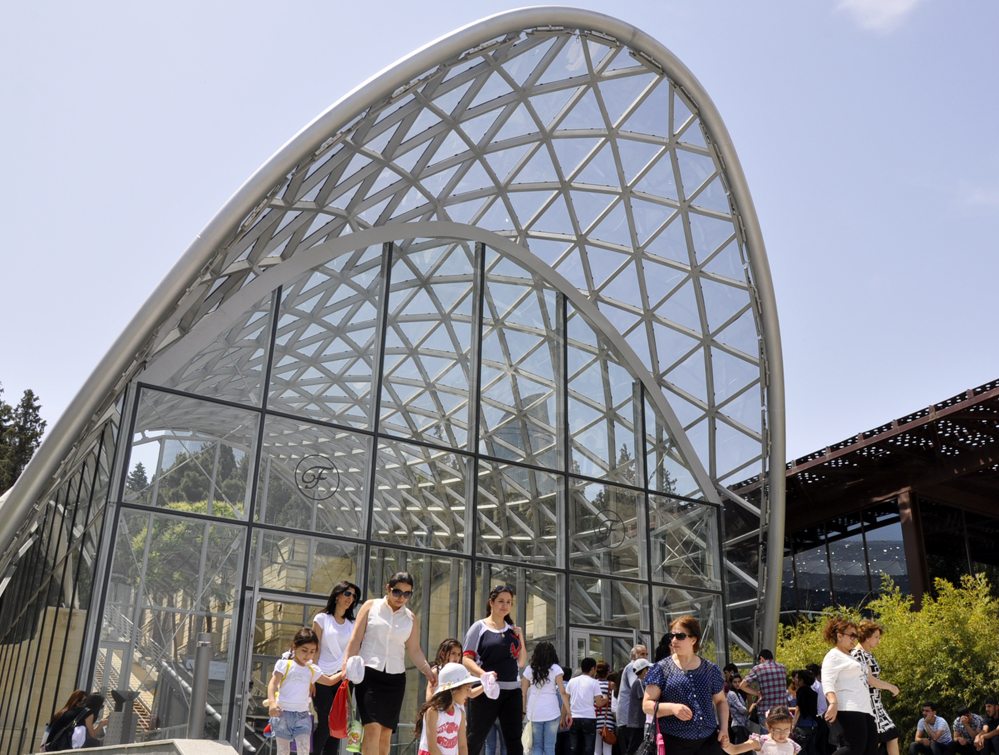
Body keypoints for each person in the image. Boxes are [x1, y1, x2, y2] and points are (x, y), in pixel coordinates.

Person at [344, 571, 438, 755]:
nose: (401, 597)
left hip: (395, 680)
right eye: (397, 592)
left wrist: (428, 670)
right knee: (372, 729)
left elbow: (414, 649)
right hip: (368, 674)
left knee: (385, 735)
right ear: (388, 588)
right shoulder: (371, 606)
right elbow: (355, 639)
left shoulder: (410, 617)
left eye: (407, 594)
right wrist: (345, 666)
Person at [642, 615, 730, 755]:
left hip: (708, 741)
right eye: (673, 636)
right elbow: (646, 705)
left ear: (693, 640)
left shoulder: (710, 669)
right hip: (674, 742)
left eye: (680, 636)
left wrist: (724, 729)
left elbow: (721, 701)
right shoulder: (661, 668)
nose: (674, 640)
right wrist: (672, 708)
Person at [462, 585, 526, 755]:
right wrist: (483, 675)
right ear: (491, 602)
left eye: (509, 602)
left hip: (512, 691)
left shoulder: (512, 631)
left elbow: (521, 662)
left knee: (514, 740)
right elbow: (466, 658)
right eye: (500, 601)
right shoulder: (479, 627)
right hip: (486, 690)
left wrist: (522, 638)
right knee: (476, 737)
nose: (505, 605)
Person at [267, 627, 343, 755]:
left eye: (312, 652)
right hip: (283, 714)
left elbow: (329, 681)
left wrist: (344, 673)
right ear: (294, 646)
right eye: (304, 650)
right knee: (283, 751)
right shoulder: (285, 665)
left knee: (304, 749)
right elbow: (272, 684)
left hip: (303, 716)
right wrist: (272, 702)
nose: (308, 655)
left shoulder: (313, 670)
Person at [313, 580, 361, 755]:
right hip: (322, 677)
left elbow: (356, 650)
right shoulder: (321, 619)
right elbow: (315, 650)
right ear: (337, 595)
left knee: (337, 727)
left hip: (344, 680)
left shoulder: (353, 624)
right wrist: (312, 678)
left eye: (354, 596)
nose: (351, 598)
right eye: (347, 594)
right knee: (325, 725)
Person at [821, 618, 878, 755]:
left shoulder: (851, 657)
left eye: (856, 635)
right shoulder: (833, 655)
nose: (855, 638)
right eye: (851, 635)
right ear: (839, 636)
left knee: (870, 750)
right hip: (849, 707)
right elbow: (827, 681)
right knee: (853, 749)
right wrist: (833, 702)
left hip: (865, 709)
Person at [850, 621, 900, 755]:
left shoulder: (867, 653)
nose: (879, 640)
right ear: (867, 637)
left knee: (890, 735)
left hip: (876, 704)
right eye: (876, 637)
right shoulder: (858, 654)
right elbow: (870, 680)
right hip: (869, 705)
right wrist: (891, 687)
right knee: (877, 740)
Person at [415, 662, 477, 755]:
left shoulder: (460, 713)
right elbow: (432, 748)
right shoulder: (433, 712)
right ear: (455, 689)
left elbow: (463, 746)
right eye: (467, 688)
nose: (468, 694)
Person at [522, 641, 570, 755]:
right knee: (550, 747)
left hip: (534, 713)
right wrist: (569, 712)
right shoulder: (556, 669)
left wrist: (524, 710)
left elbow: (523, 692)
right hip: (552, 712)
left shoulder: (529, 669)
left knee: (537, 746)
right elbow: (563, 692)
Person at [566, 657, 609, 755]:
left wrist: (564, 716)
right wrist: (605, 700)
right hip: (589, 717)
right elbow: (598, 703)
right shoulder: (594, 682)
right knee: (588, 749)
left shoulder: (572, 681)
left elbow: (566, 700)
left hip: (574, 717)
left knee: (574, 748)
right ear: (593, 668)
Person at [739, 650, 788, 733]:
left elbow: (742, 685)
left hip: (766, 710)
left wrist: (758, 693)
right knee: (782, 737)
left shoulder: (758, 668)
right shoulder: (782, 667)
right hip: (782, 710)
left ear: (761, 658)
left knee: (767, 738)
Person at [723, 706, 801, 755]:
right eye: (778, 731)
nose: (783, 734)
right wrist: (725, 743)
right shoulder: (761, 741)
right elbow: (735, 750)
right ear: (769, 726)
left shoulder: (792, 745)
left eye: (787, 730)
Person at [618, 646, 649, 755]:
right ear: (633, 656)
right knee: (633, 748)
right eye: (642, 654)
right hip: (632, 717)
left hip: (631, 717)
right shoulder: (633, 667)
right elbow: (638, 684)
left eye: (646, 654)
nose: (645, 657)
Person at [624, 659, 652, 752]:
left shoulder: (640, 682)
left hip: (638, 722)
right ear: (645, 670)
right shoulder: (640, 682)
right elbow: (645, 698)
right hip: (638, 722)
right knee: (634, 748)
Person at [791, 670, 819, 755]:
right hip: (814, 725)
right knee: (811, 749)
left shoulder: (801, 691)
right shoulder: (814, 692)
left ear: (801, 680)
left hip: (803, 725)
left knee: (800, 750)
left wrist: (793, 724)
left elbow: (798, 708)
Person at [594, 661, 616, 755]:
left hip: (595, 719)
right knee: (608, 750)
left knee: (596, 750)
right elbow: (614, 703)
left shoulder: (593, 684)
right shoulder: (611, 685)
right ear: (608, 672)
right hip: (608, 721)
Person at [727, 674, 751, 745]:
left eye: (739, 681)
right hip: (738, 724)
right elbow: (741, 709)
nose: (737, 684)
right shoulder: (732, 694)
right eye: (735, 682)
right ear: (731, 683)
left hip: (742, 724)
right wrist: (749, 710)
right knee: (742, 747)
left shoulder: (738, 693)